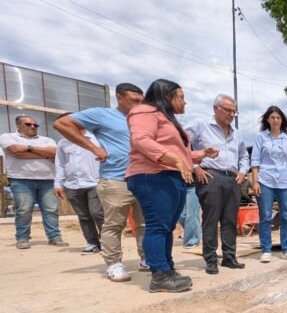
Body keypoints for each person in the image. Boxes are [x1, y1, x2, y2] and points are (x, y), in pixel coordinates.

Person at [126, 79, 217, 293]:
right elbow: (140, 140)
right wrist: (174, 159)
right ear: (168, 96)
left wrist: (201, 154)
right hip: (152, 176)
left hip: (170, 176)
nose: (185, 102)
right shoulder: (144, 112)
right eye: (181, 97)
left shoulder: (167, 118)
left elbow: (180, 153)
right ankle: (159, 274)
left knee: (167, 227)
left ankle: (167, 269)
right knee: (158, 226)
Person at [53, 83, 146, 282]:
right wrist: (94, 149)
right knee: (114, 223)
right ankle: (114, 263)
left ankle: (147, 258)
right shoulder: (102, 114)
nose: (139, 105)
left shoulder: (142, 119)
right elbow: (62, 124)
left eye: (141, 101)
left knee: (144, 223)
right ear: (119, 98)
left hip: (144, 179)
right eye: (134, 101)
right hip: (116, 178)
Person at [186, 94, 249, 274]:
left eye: (234, 112)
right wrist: (195, 167)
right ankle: (211, 260)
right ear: (216, 108)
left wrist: (243, 171)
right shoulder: (201, 125)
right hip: (210, 177)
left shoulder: (236, 133)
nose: (231, 114)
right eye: (228, 110)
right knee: (211, 220)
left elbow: (244, 155)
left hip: (232, 179)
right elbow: (181, 142)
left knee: (230, 220)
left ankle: (229, 257)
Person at [0, 115, 68, 249]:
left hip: (48, 179)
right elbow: (15, 152)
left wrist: (28, 148)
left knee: (51, 210)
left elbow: (55, 152)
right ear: (18, 125)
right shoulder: (7, 137)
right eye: (28, 124)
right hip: (21, 179)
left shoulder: (47, 139)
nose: (32, 127)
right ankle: (22, 238)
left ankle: (54, 237)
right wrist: (45, 155)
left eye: (35, 125)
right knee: (24, 210)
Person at [250, 106, 287, 263]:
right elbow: (255, 161)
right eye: (272, 117)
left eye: (278, 117)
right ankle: (266, 250)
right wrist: (255, 181)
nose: (275, 120)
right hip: (266, 180)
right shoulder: (261, 137)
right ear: (267, 120)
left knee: (286, 216)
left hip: (286, 181)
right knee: (265, 216)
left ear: (282, 120)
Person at [53, 113, 103, 254]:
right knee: (83, 216)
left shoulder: (96, 139)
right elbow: (60, 164)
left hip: (95, 182)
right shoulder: (62, 143)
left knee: (97, 213)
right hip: (72, 185)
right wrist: (58, 184)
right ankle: (92, 243)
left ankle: (108, 242)